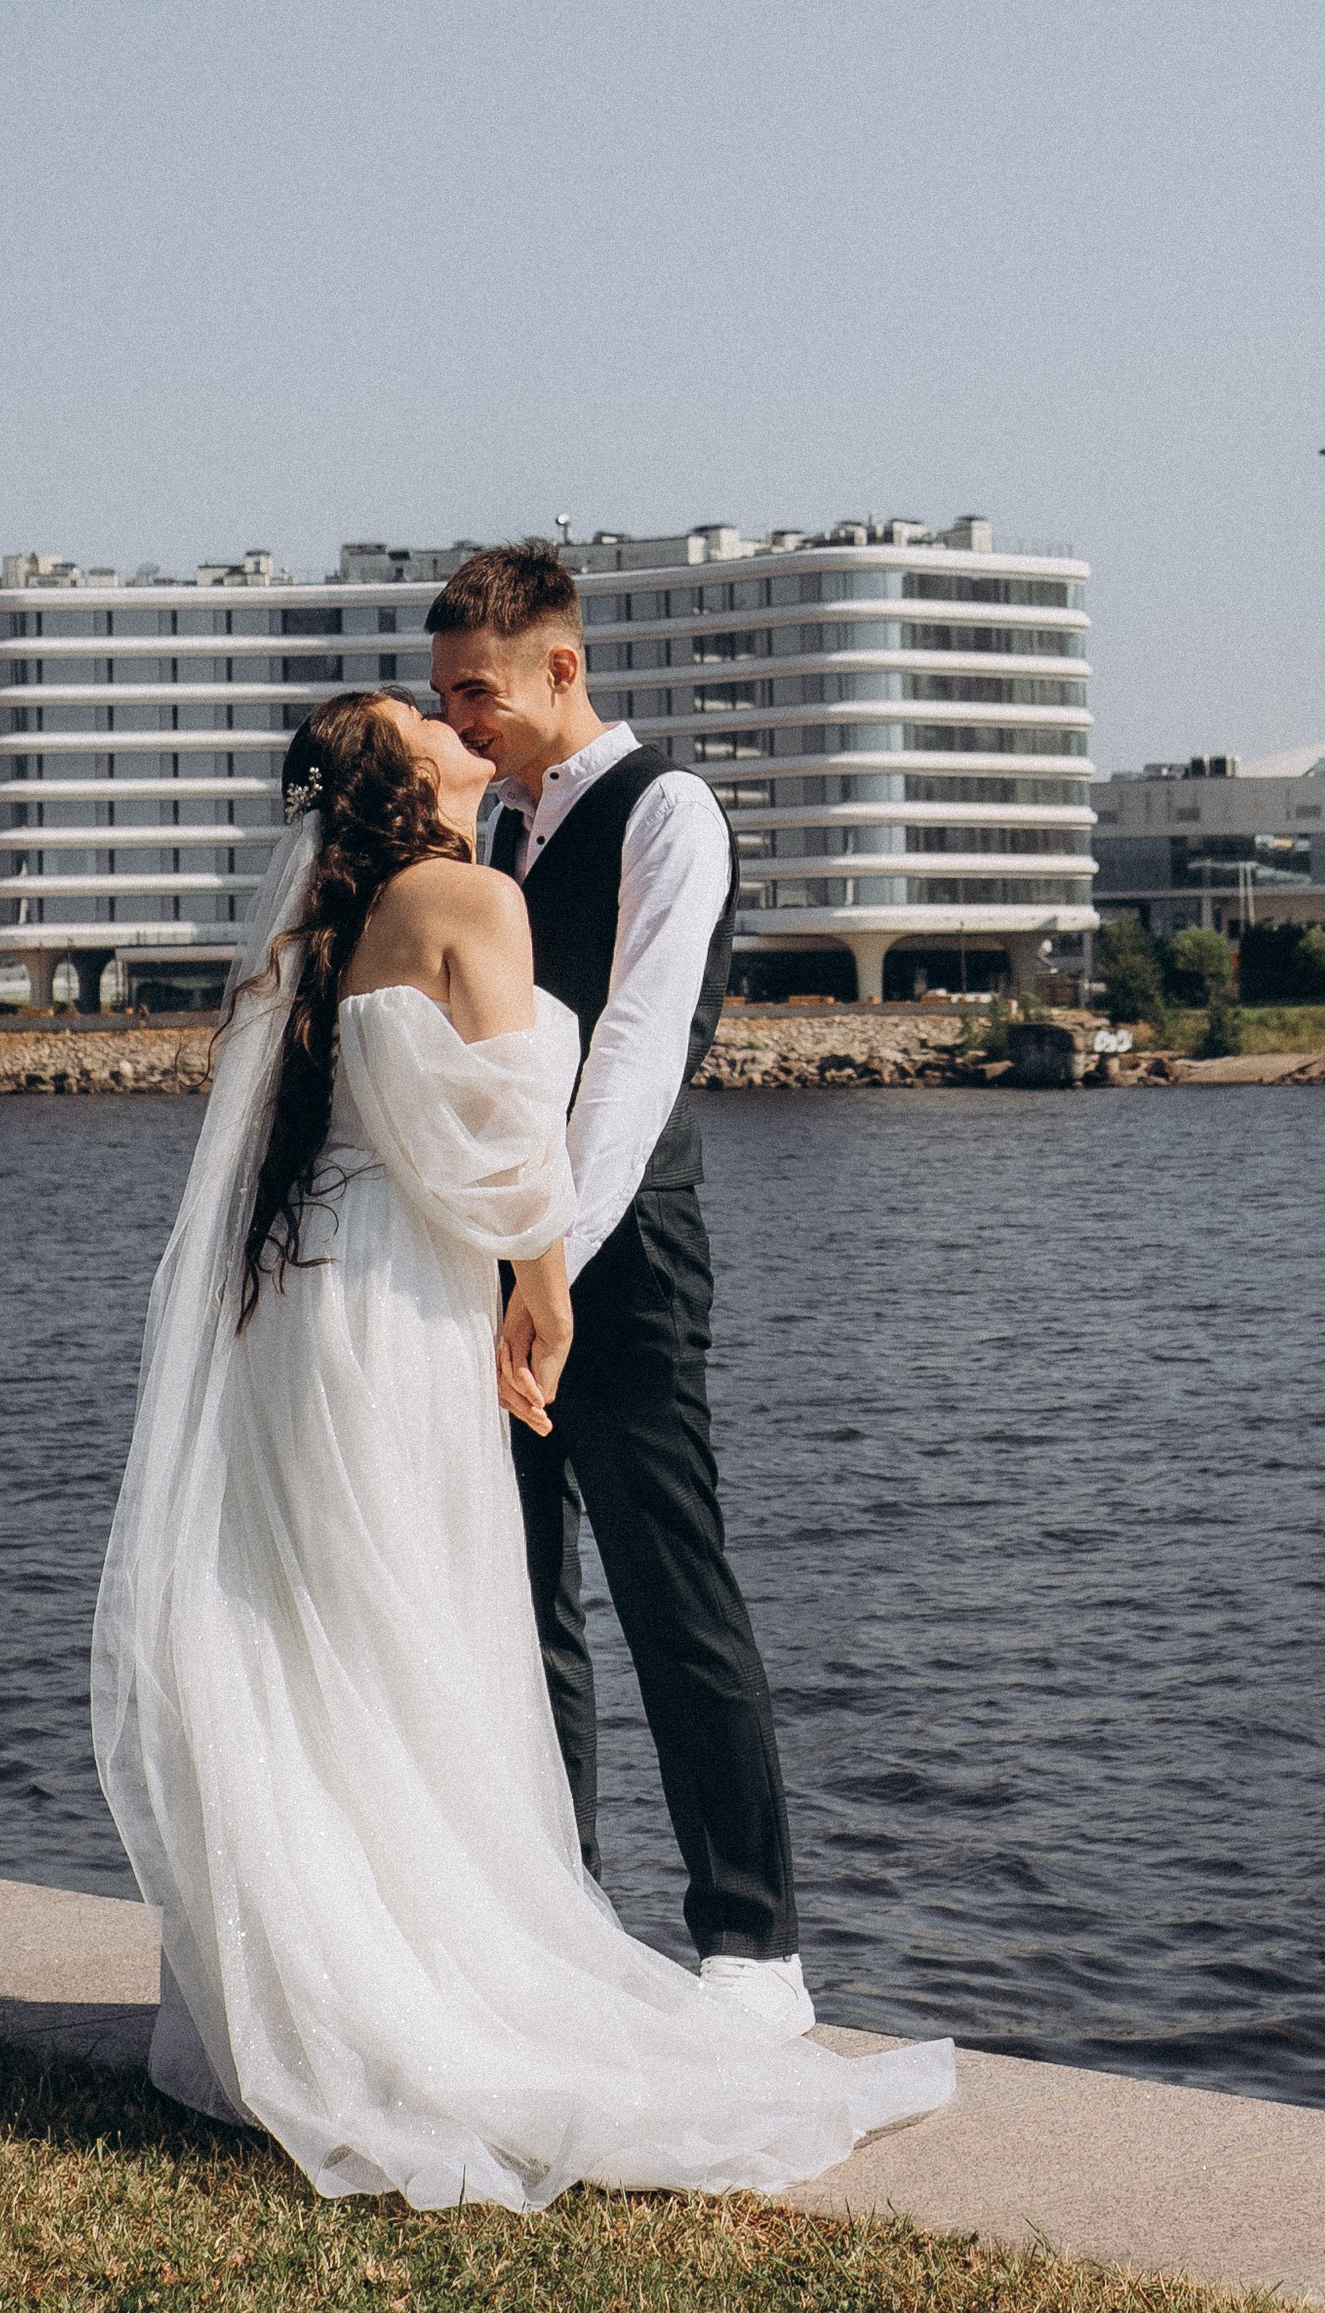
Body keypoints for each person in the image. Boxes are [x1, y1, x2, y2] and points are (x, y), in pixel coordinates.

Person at [93, 685, 949, 2210]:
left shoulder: (312, 933)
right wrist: (539, 1297)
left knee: (322, 1628)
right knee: (425, 1618)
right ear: (406, 774)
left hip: (301, 1306)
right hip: (412, 1301)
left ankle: (320, 1975)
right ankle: (442, 1981)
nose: (450, 720)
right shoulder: (469, 895)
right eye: (424, 719)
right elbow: (510, 1145)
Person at [421, 541, 809, 2034]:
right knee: (524, 1608)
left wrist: (553, 1271)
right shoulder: (490, 833)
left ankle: (754, 1949)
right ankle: (560, 1914)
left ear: (560, 668)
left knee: (672, 1592)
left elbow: (639, 1060)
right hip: (500, 1265)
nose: (464, 723)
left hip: (623, 1262)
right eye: (450, 697)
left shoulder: (671, 813)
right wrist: (498, 1266)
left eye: (480, 694)